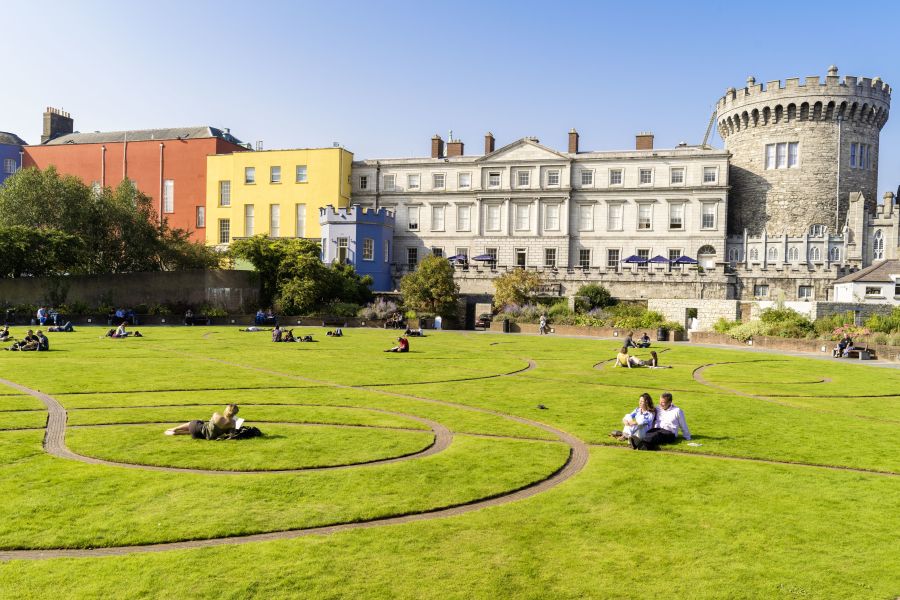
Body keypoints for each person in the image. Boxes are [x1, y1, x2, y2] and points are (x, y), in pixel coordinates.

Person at [164, 404, 240, 440]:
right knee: (203, 431)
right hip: (201, 436)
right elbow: (231, 434)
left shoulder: (217, 415)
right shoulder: (234, 423)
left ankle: (174, 429)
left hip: (196, 429)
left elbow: (210, 422)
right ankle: (176, 433)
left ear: (226, 410)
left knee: (196, 422)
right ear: (235, 414)